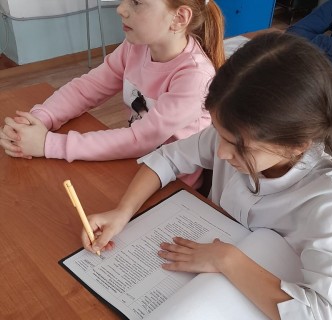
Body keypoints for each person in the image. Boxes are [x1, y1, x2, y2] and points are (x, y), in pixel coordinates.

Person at [80, 32, 332, 320]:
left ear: (296, 146)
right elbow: (169, 157)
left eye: (238, 146)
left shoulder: (327, 200)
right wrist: (123, 211)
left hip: (248, 317)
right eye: (219, 133)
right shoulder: (235, 131)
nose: (222, 153)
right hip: (206, 277)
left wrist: (226, 259)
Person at [0, 0, 225, 187]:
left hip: (172, 186)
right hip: (134, 163)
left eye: (136, 2)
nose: (121, 9)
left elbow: (139, 139)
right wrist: (39, 120)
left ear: (179, 18)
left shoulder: (195, 77)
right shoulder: (136, 46)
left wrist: (48, 144)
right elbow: (86, 88)